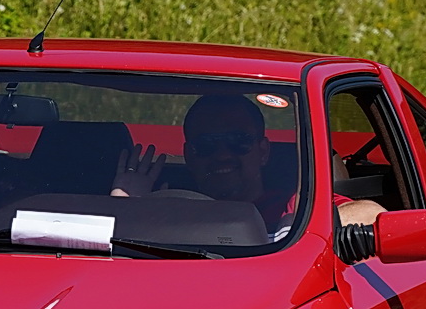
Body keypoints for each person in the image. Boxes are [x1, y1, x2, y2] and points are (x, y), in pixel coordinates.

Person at [109, 94, 385, 232]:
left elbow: (373, 216)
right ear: (190, 155)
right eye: (206, 144)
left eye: (238, 141)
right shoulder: (164, 211)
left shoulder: (291, 206)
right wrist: (125, 207)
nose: (222, 155)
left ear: (263, 151)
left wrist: (299, 226)